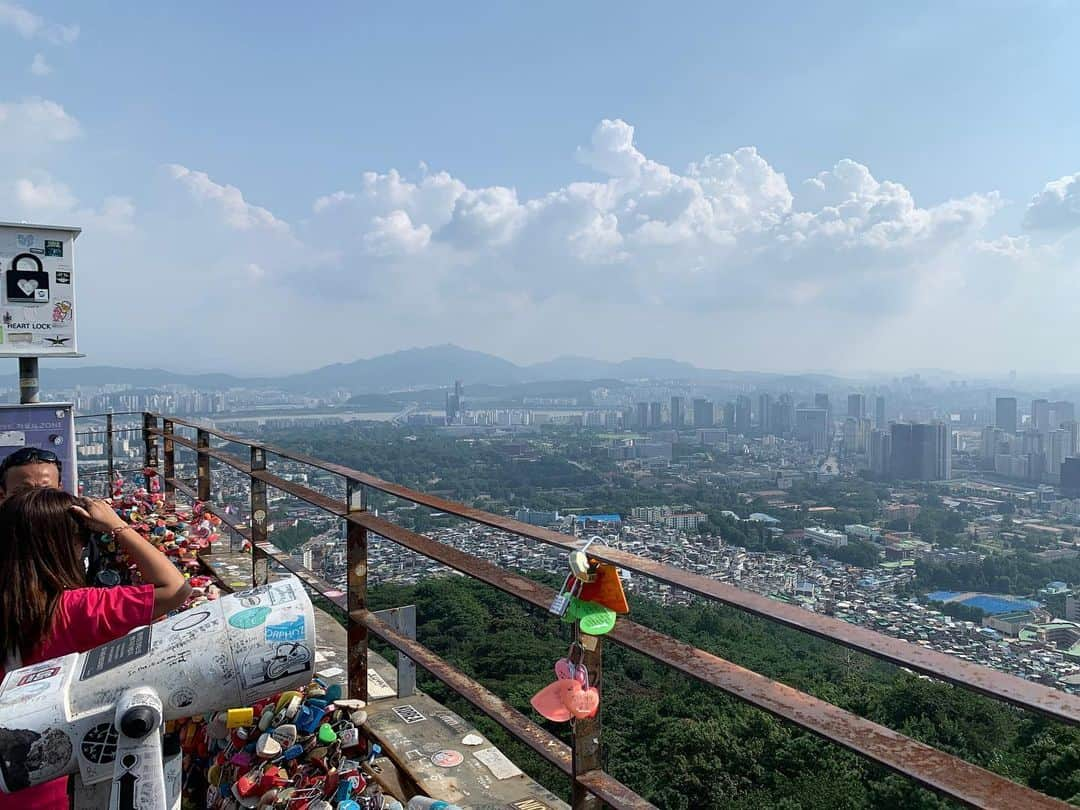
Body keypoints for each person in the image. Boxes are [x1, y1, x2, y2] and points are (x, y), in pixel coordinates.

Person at [0, 488, 190, 808]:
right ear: (65, 546)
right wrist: (118, 527)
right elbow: (174, 588)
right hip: (44, 785)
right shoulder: (78, 610)